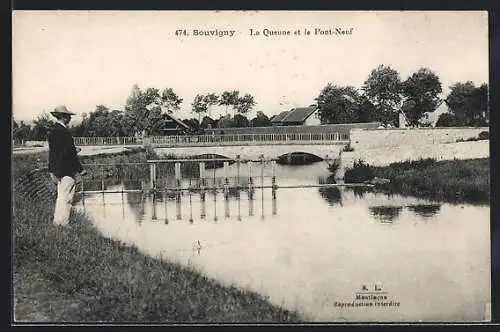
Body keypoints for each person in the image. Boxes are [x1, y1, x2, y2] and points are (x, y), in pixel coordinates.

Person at [48, 105, 87, 226]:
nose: (70, 118)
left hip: (57, 170)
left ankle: (57, 222)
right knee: (67, 197)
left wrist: (51, 170)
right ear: (63, 117)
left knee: (61, 196)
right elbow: (69, 154)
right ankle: (63, 223)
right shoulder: (65, 132)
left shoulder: (53, 131)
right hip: (66, 170)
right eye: (68, 116)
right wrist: (80, 170)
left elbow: (54, 152)